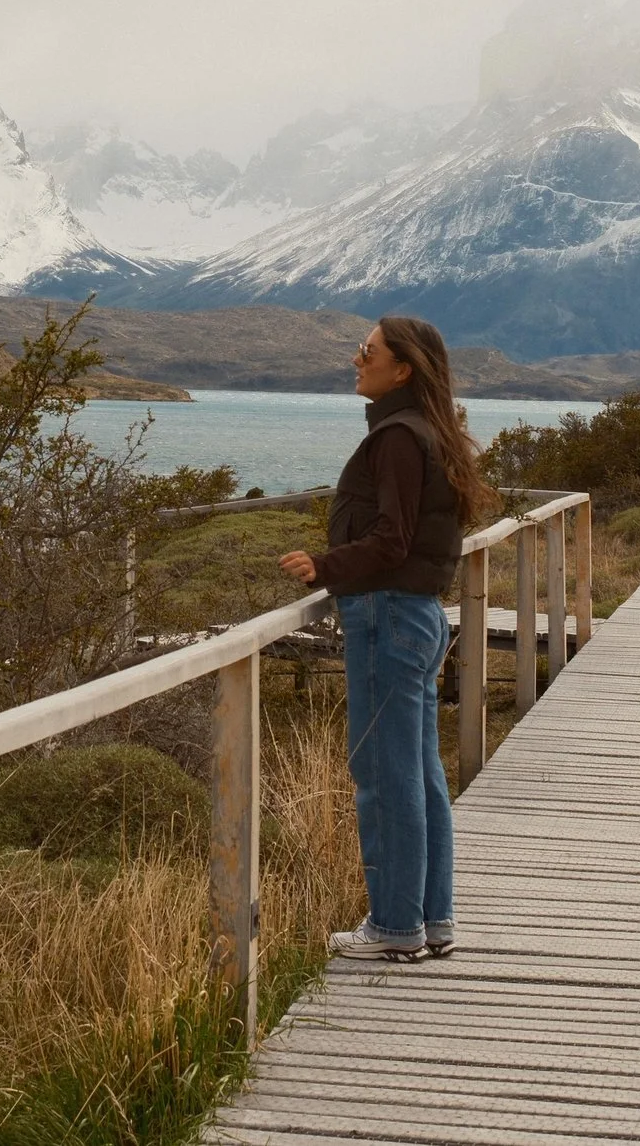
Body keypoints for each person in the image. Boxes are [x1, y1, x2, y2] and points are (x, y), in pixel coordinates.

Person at [280, 314, 499, 962]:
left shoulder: (399, 437)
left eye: (367, 351)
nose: (357, 358)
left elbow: (391, 540)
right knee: (419, 774)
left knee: (383, 774)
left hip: (388, 616)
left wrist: (324, 566)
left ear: (401, 369)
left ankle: (395, 926)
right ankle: (431, 920)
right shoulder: (429, 431)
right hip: (417, 615)